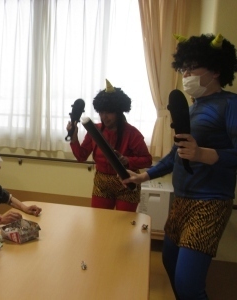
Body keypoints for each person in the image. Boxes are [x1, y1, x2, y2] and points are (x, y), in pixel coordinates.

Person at [122, 33, 237, 299]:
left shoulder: (230, 104)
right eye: (182, 68)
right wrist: (144, 176)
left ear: (216, 69)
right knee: (169, 263)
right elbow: (177, 153)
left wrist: (204, 154)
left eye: (191, 67)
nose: (185, 74)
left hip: (210, 203)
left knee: (188, 284)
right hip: (181, 200)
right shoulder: (193, 108)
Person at [66, 79, 152, 211]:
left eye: (109, 112)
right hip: (102, 184)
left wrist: (127, 160)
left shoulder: (132, 133)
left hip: (127, 182)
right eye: (101, 112)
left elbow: (147, 160)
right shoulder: (94, 131)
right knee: (99, 222)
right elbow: (81, 156)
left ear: (118, 112)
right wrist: (73, 137)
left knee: (124, 226)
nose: (104, 117)